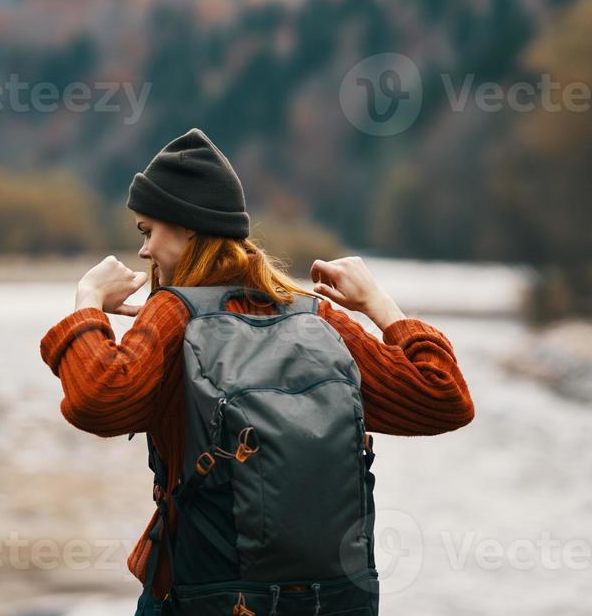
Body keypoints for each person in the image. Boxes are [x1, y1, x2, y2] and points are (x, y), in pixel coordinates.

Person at [38, 128, 474, 614]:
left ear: (186, 229)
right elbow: (444, 398)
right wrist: (380, 304)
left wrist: (87, 304)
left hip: (204, 595)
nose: (143, 250)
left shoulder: (173, 316)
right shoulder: (316, 318)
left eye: (147, 231)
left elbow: (98, 399)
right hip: (327, 600)